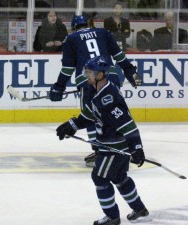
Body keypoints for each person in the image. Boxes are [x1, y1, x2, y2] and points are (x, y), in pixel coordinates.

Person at [55, 56, 149, 225]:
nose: (86, 75)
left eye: (89, 72)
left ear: (99, 75)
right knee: (120, 178)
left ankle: (112, 217)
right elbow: (90, 115)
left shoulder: (109, 97)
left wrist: (137, 148)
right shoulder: (99, 92)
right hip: (112, 146)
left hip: (113, 148)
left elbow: (128, 125)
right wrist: (70, 125)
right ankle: (139, 208)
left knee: (99, 178)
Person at [49, 15, 142, 167]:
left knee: (92, 113)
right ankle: (125, 145)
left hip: (87, 80)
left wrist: (59, 87)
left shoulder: (70, 39)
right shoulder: (104, 32)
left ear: (73, 28)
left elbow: (67, 69)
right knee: (115, 110)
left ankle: (100, 151)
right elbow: (119, 56)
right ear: (89, 24)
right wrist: (129, 70)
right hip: (109, 76)